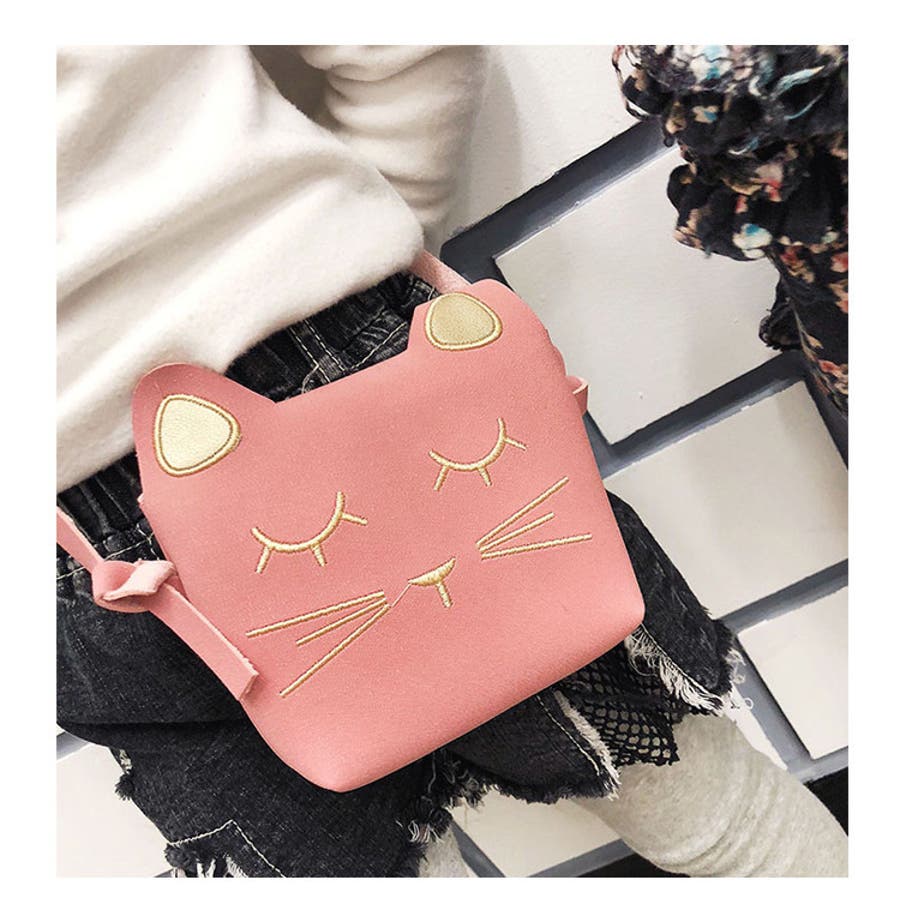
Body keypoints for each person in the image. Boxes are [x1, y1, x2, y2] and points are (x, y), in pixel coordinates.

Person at [56, 45, 847, 877]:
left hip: (304, 422)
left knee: (715, 821)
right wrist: (343, 244)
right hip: (138, 528)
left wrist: (349, 249)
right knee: (719, 821)